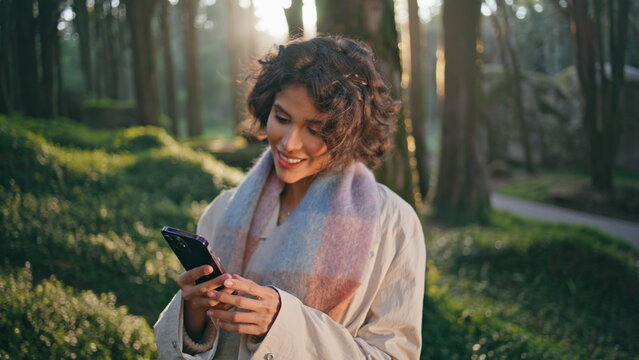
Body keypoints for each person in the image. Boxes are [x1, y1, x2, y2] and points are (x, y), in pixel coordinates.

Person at [154, 36, 426, 360]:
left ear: (349, 133)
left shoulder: (393, 224)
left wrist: (282, 324)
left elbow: (394, 356)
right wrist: (195, 316)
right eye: (282, 119)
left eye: (315, 129)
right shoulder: (223, 211)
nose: (289, 144)